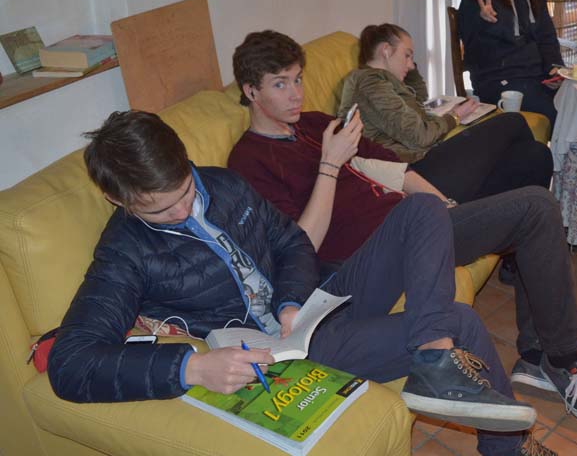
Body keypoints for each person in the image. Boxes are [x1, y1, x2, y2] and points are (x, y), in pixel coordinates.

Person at [47, 111, 546, 456]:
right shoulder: (124, 253)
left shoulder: (221, 183)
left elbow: (290, 241)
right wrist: (191, 368)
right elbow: (71, 364)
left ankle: (434, 360)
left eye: (183, 190)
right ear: (119, 201)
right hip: (282, 356)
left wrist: (289, 301)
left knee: (423, 208)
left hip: (310, 308)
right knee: (460, 320)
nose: (182, 209)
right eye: (160, 209)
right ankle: (507, 449)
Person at [228, 30, 577, 434]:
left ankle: (548, 358)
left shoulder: (313, 123)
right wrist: (330, 165)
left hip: (416, 226)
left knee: (536, 202)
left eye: (297, 79)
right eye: (280, 84)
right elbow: (300, 246)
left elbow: (389, 161)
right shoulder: (248, 162)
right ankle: (557, 360)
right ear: (251, 91)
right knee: (529, 204)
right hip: (368, 261)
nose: (296, 94)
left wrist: (440, 203)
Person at [336, 22, 552, 203]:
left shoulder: (384, 82)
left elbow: (419, 98)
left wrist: (408, 68)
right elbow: (419, 136)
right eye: (407, 55)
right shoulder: (368, 82)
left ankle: (521, 228)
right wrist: (454, 117)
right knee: (512, 121)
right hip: (413, 174)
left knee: (536, 155)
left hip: (427, 163)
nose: (410, 65)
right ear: (385, 50)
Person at [458, 0, 563, 127]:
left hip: (536, 77)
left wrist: (554, 68)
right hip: (497, 81)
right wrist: (482, 21)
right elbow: (474, 49)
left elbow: (547, 36)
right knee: (561, 115)